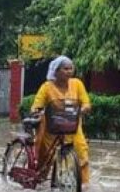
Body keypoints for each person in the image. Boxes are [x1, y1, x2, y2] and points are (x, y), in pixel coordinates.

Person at [30, 55, 93, 184]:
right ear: (56, 71)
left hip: (73, 127)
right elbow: (37, 104)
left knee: (82, 154)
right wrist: (36, 111)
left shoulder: (77, 84)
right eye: (65, 69)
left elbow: (86, 102)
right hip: (52, 129)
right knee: (46, 157)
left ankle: (83, 186)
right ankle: (39, 179)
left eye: (71, 68)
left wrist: (83, 109)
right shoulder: (47, 87)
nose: (69, 71)